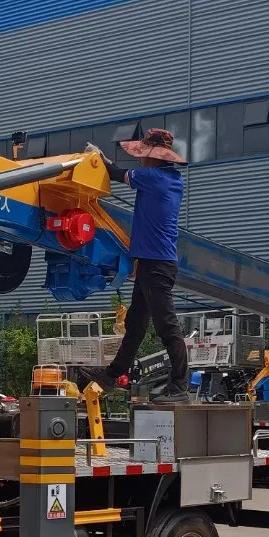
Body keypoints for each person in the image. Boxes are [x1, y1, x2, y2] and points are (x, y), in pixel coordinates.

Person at [89, 129, 189, 401]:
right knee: (136, 323)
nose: (141, 160)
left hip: (157, 265)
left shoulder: (154, 178)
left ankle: (180, 386)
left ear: (154, 157)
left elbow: (115, 173)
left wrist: (97, 158)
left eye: (144, 155)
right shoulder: (168, 179)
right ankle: (112, 375)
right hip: (150, 263)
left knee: (166, 326)